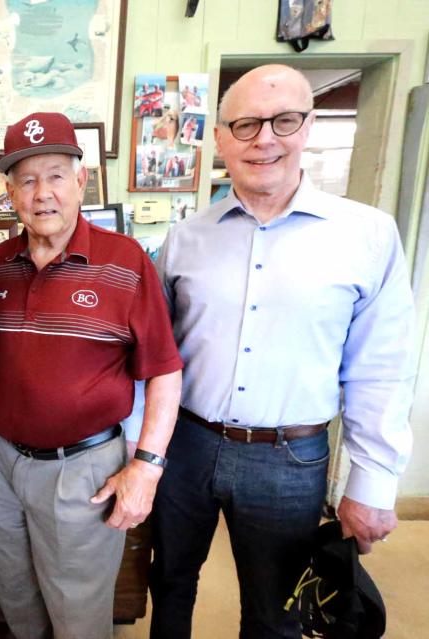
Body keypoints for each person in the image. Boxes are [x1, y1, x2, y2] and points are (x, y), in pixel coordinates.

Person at [150, 64, 416, 639]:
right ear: (219, 137)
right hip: (187, 446)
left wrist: (370, 485)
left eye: (283, 120)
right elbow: (156, 355)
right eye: (244, 124)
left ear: (308, 126)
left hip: (290, 460)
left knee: (276, 614)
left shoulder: (366, 236)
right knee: (169, 584)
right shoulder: (186, 238)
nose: (264, 139)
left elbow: (382, 369)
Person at [0, 111, 183, 639]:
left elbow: (164, 371)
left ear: (81, 181)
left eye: (54, 175)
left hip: (82, 470)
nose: (41, 193)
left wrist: (147, 468)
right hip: (0, 462)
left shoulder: (126, 261)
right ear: (10, 191)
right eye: (26, 179)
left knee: (78, 617)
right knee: (16, 602)